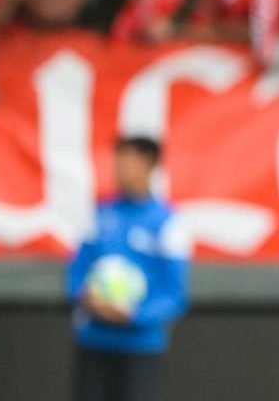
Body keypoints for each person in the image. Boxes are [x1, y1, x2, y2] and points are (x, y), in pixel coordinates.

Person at [67, 136, 191, 401]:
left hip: (140, 348)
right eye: (118, 162)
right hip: (93, 341)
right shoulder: (100, 214)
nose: (121, 169)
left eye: (130, 162)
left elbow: (174, 295)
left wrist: (133, 314)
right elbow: (77, 270)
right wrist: (85, 297)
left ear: (150, 165)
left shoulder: (167, 223)